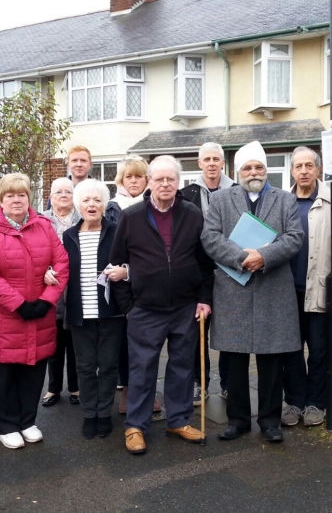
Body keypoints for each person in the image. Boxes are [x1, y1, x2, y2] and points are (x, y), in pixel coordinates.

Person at [110, 155, 214, 455]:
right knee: (142, 368)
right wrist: (129, 306)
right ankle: (136, 426)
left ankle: (178, 420)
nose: (165, 184)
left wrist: (205, 299)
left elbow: (204, 262)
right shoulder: (132, 217)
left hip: (185, 307)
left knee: (182, 367)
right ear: (149, 182)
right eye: (159, 179)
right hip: (145, 309)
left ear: (178, 182)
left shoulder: (193, 214)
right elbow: (116, 263)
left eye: (171, 179)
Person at [201, 141, 303, 443]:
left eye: (259, 167)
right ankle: (238, 420)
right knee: (235, 359)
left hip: (273, 288)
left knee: (271, 359)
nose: (254, 172)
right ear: (237, 171)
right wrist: (242, 257)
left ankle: (270, 421)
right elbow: (210, 237)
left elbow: (295, 237)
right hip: (233, 288)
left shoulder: (285, 200)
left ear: (266, 170)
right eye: (247, 167)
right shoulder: (220, 200)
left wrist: (264, 257)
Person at [0, 173, 69, 449]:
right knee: (3, 374)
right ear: (1, 199)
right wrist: (19, 304)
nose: (17, 199)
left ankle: (27, 420)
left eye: (22, 194)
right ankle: (5, 425)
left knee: (34, 370)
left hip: (39, 314)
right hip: (3, 318)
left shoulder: (44, 227)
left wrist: (46, 300)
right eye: (11, 195)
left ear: (30, 198)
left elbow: (61, 263)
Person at [281, 146, 332, 429]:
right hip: (286, 292)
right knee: (289, 351)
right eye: (298, 166)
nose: (303, 171)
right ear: (292, 171)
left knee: (319, 350)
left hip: (321, 292)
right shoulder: (282, 202)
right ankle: (294, 401)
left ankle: (316, 402)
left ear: (318, 169)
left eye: (308, 166)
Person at [63, 180, 125, 439]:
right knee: (86, 367)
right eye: (86, 200)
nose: (92, 205)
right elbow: (60, 265)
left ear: (104, 204)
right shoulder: (69, 235)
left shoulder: (116, 231)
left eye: (97, 200)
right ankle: (90, 414)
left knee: (109, 366)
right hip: (80, 313)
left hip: (111, 312)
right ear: (78, 204)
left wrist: (125, 272)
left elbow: (129, 261)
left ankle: (104, 412)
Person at [101, 155, 162, 416]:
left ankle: (148, 390)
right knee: (126, 342)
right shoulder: (111, 208)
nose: (134, 181)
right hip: (123, 286)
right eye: (129, 177)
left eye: (139, 176)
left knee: (152, 341)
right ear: (121, 180)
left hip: (153, 283)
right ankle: (127, 388)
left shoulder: (157, 205)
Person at [180, 142, 235, 405]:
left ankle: (228, 383)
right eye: (207, 159)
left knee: (228, 332)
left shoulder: (237, 190)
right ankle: (198, 384)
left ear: (223, 163)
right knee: (197, 332)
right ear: (199, 163)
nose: (212, 163)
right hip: (197, 273)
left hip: (230, 271)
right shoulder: (185, 194)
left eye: (216, 159)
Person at [41, 177, 82, 408]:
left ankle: (76, 387)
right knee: (54, 342)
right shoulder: (40, 220)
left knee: (75, 342)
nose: (63, 195)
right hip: (51, 288)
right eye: (59, 192)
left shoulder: (82, 219)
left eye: (68, 191)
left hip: (77, 288)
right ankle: (53, 388)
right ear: (51, 196)